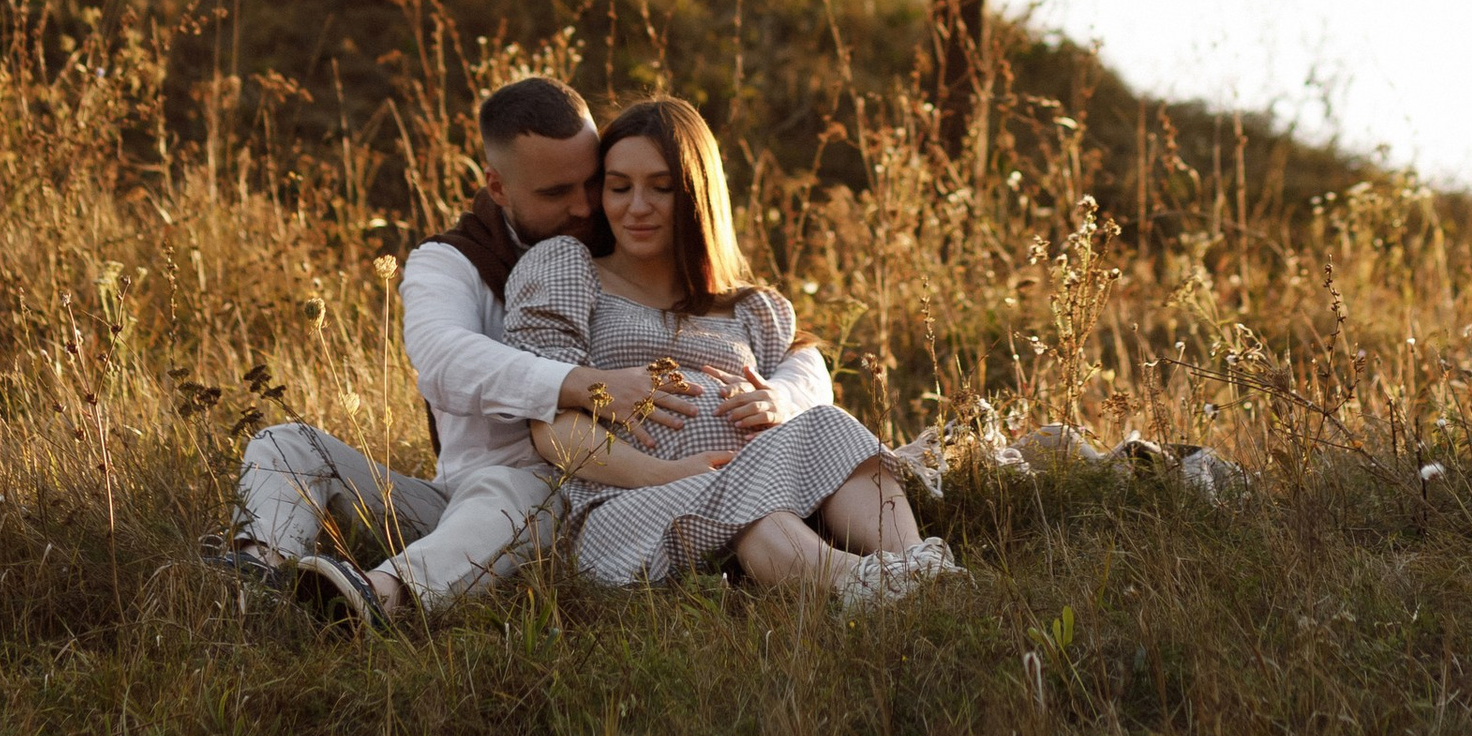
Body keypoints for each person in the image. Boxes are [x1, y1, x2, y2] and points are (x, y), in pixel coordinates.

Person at [230, 75, 731, 623]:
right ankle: (260, 583)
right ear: (496, 186)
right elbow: (443, 358)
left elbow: (745, 319)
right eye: (555, 193)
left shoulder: (627, 239)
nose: (587, 208)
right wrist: (580, 384)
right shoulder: (449, 262)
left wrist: (786, 388)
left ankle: (377, 599)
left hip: (562, 499)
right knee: (286, 443)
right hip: (448, 500)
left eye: (593, 182)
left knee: (515, 488)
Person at [507, 92, 957, 611]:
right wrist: (668, 473)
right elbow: (550, 426)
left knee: (828, 429)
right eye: (619, 187)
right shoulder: (571, 271)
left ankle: (921, 565)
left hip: (756, 486)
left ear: (697, 195)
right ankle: (865, 583)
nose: (636, 207)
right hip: (634, 499)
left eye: (661, 188)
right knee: (752, 513)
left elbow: (804, 371)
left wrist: (781, 401)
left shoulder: (750, 307)